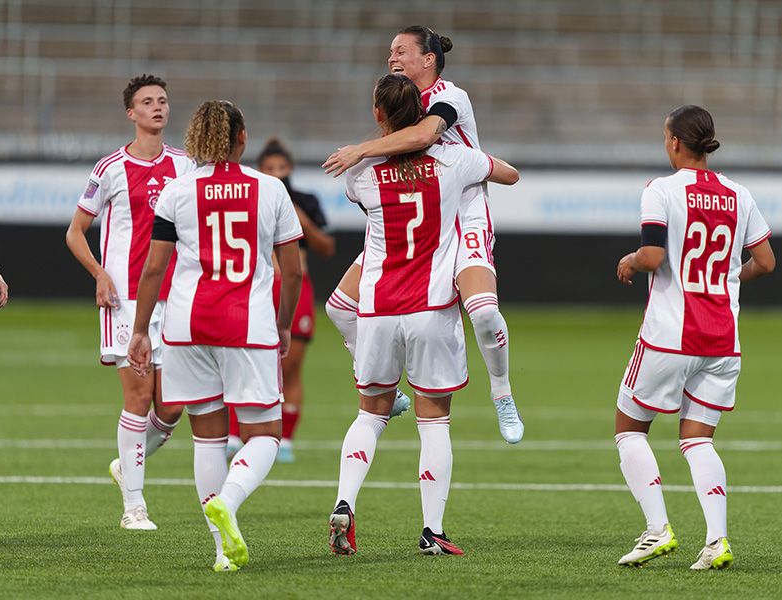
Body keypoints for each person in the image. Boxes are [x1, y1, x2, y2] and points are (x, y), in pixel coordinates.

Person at [328, 73, 519, 557]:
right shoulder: (456, 160)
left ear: (379, 116)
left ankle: (344, 504)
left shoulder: (360, 175)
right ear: (426, 113)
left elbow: (376, 175)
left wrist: (373, 148)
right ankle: (432, 530)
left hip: (376, 310)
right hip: (429, 310)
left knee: (369, 415)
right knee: (434, 423)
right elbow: (510, 174)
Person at [323, 26, 524, 444]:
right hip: (414, 221)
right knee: (340, 307)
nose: (392, 56)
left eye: (401, 50)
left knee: (484, 313)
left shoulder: (450, 96)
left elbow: (425, 134)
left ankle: (502, 392)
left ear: (428, 59)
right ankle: (384, 387)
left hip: (462, 218)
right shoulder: (401, 101)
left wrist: (358, 150)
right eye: (389, 51)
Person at [127, 100, 303, 572]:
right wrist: (284, 324)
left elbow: (153, 269)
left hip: (186, 326)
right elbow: (293, 272)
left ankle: (223, 552)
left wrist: (141, 329)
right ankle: (231, 498)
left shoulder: (176, 191)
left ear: (195, 140)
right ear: (242, 138)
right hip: (247, 326)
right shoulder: (270, 190)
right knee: (265, 433)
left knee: (207, 438)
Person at [613, 105, 775, 569]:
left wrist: (628, 260)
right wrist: (727, 280)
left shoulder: (661, 190)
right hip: (722, 338)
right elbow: (766, 262)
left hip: (670, 334)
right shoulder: (738, 194)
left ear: (675, 143)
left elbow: (649, 254)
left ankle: (657, 530)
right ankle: (717, 540)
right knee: (698, 439)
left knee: (629, 430)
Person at [65, 74, 195, 530]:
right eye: (147, 102)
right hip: (125, 300)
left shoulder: (185, 165)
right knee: (139, 397)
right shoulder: (110, 168)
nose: (157, 107)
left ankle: (126, 464)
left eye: (162, 100)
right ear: (131, 113)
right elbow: (75, 233)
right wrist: (100, 274)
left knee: (174, 405)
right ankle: (134, 506)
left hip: (175, 298)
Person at [226, 137, 336, 463]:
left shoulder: (305, 200)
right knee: (245, 361)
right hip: (259, 285)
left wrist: (301, 219)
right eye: (269, 168)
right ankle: (235, 432)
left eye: (282, 168)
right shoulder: (252, 196)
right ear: (260, 170)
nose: (276, 173)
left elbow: (327, 248)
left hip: (294, 286)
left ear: (291, 169)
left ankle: (285, 438)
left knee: (291, 365)